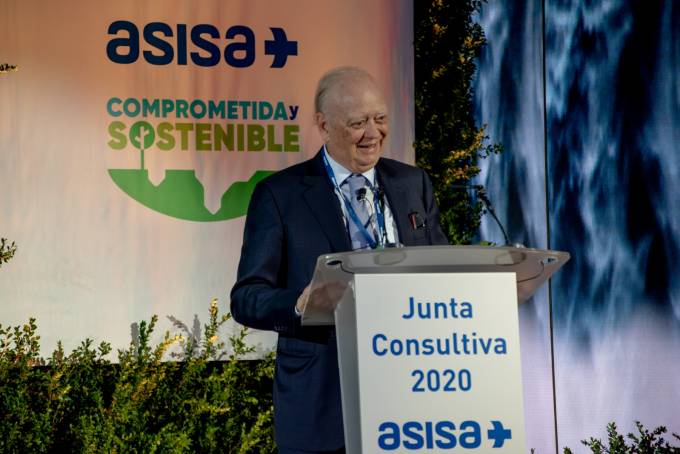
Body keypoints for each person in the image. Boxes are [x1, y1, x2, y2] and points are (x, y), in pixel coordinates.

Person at [230, 67, 448, 453]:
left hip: (410, 394)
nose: (373, 133)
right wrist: (299, 304)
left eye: (380, 118)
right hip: (322, 398)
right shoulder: (280, 194)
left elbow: (442, 268)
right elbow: (247, 297)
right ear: (324, 125)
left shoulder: (413, 183)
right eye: (358, 123)